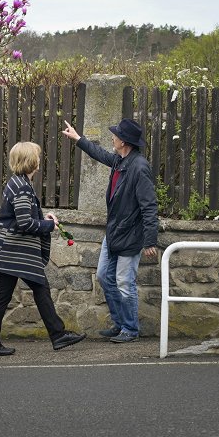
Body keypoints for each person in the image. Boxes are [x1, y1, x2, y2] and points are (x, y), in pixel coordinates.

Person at [0, 142, 86, 356]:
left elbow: (23, 217)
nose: (40, 160)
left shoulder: (19, 182)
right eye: (37, 157)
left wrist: (43, 217)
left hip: (12, 251)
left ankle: (57, 335)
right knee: (6, 295)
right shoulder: (21, 187)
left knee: (36, 288)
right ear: (32, 161)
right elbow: (24, 223)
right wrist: (50, 225)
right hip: (11, 252)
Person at [62, 118, 158, 343]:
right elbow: (100, 154)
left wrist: (150, 240)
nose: (112, 138)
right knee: (105, 277)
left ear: (123, 141)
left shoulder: (139, 167)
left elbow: (149, 206)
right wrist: (78, 138)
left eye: (115, 135)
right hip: (114, 232)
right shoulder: (120, 161)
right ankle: (120, 323)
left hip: (131, 235)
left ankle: (131, 329)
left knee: (125, 282)